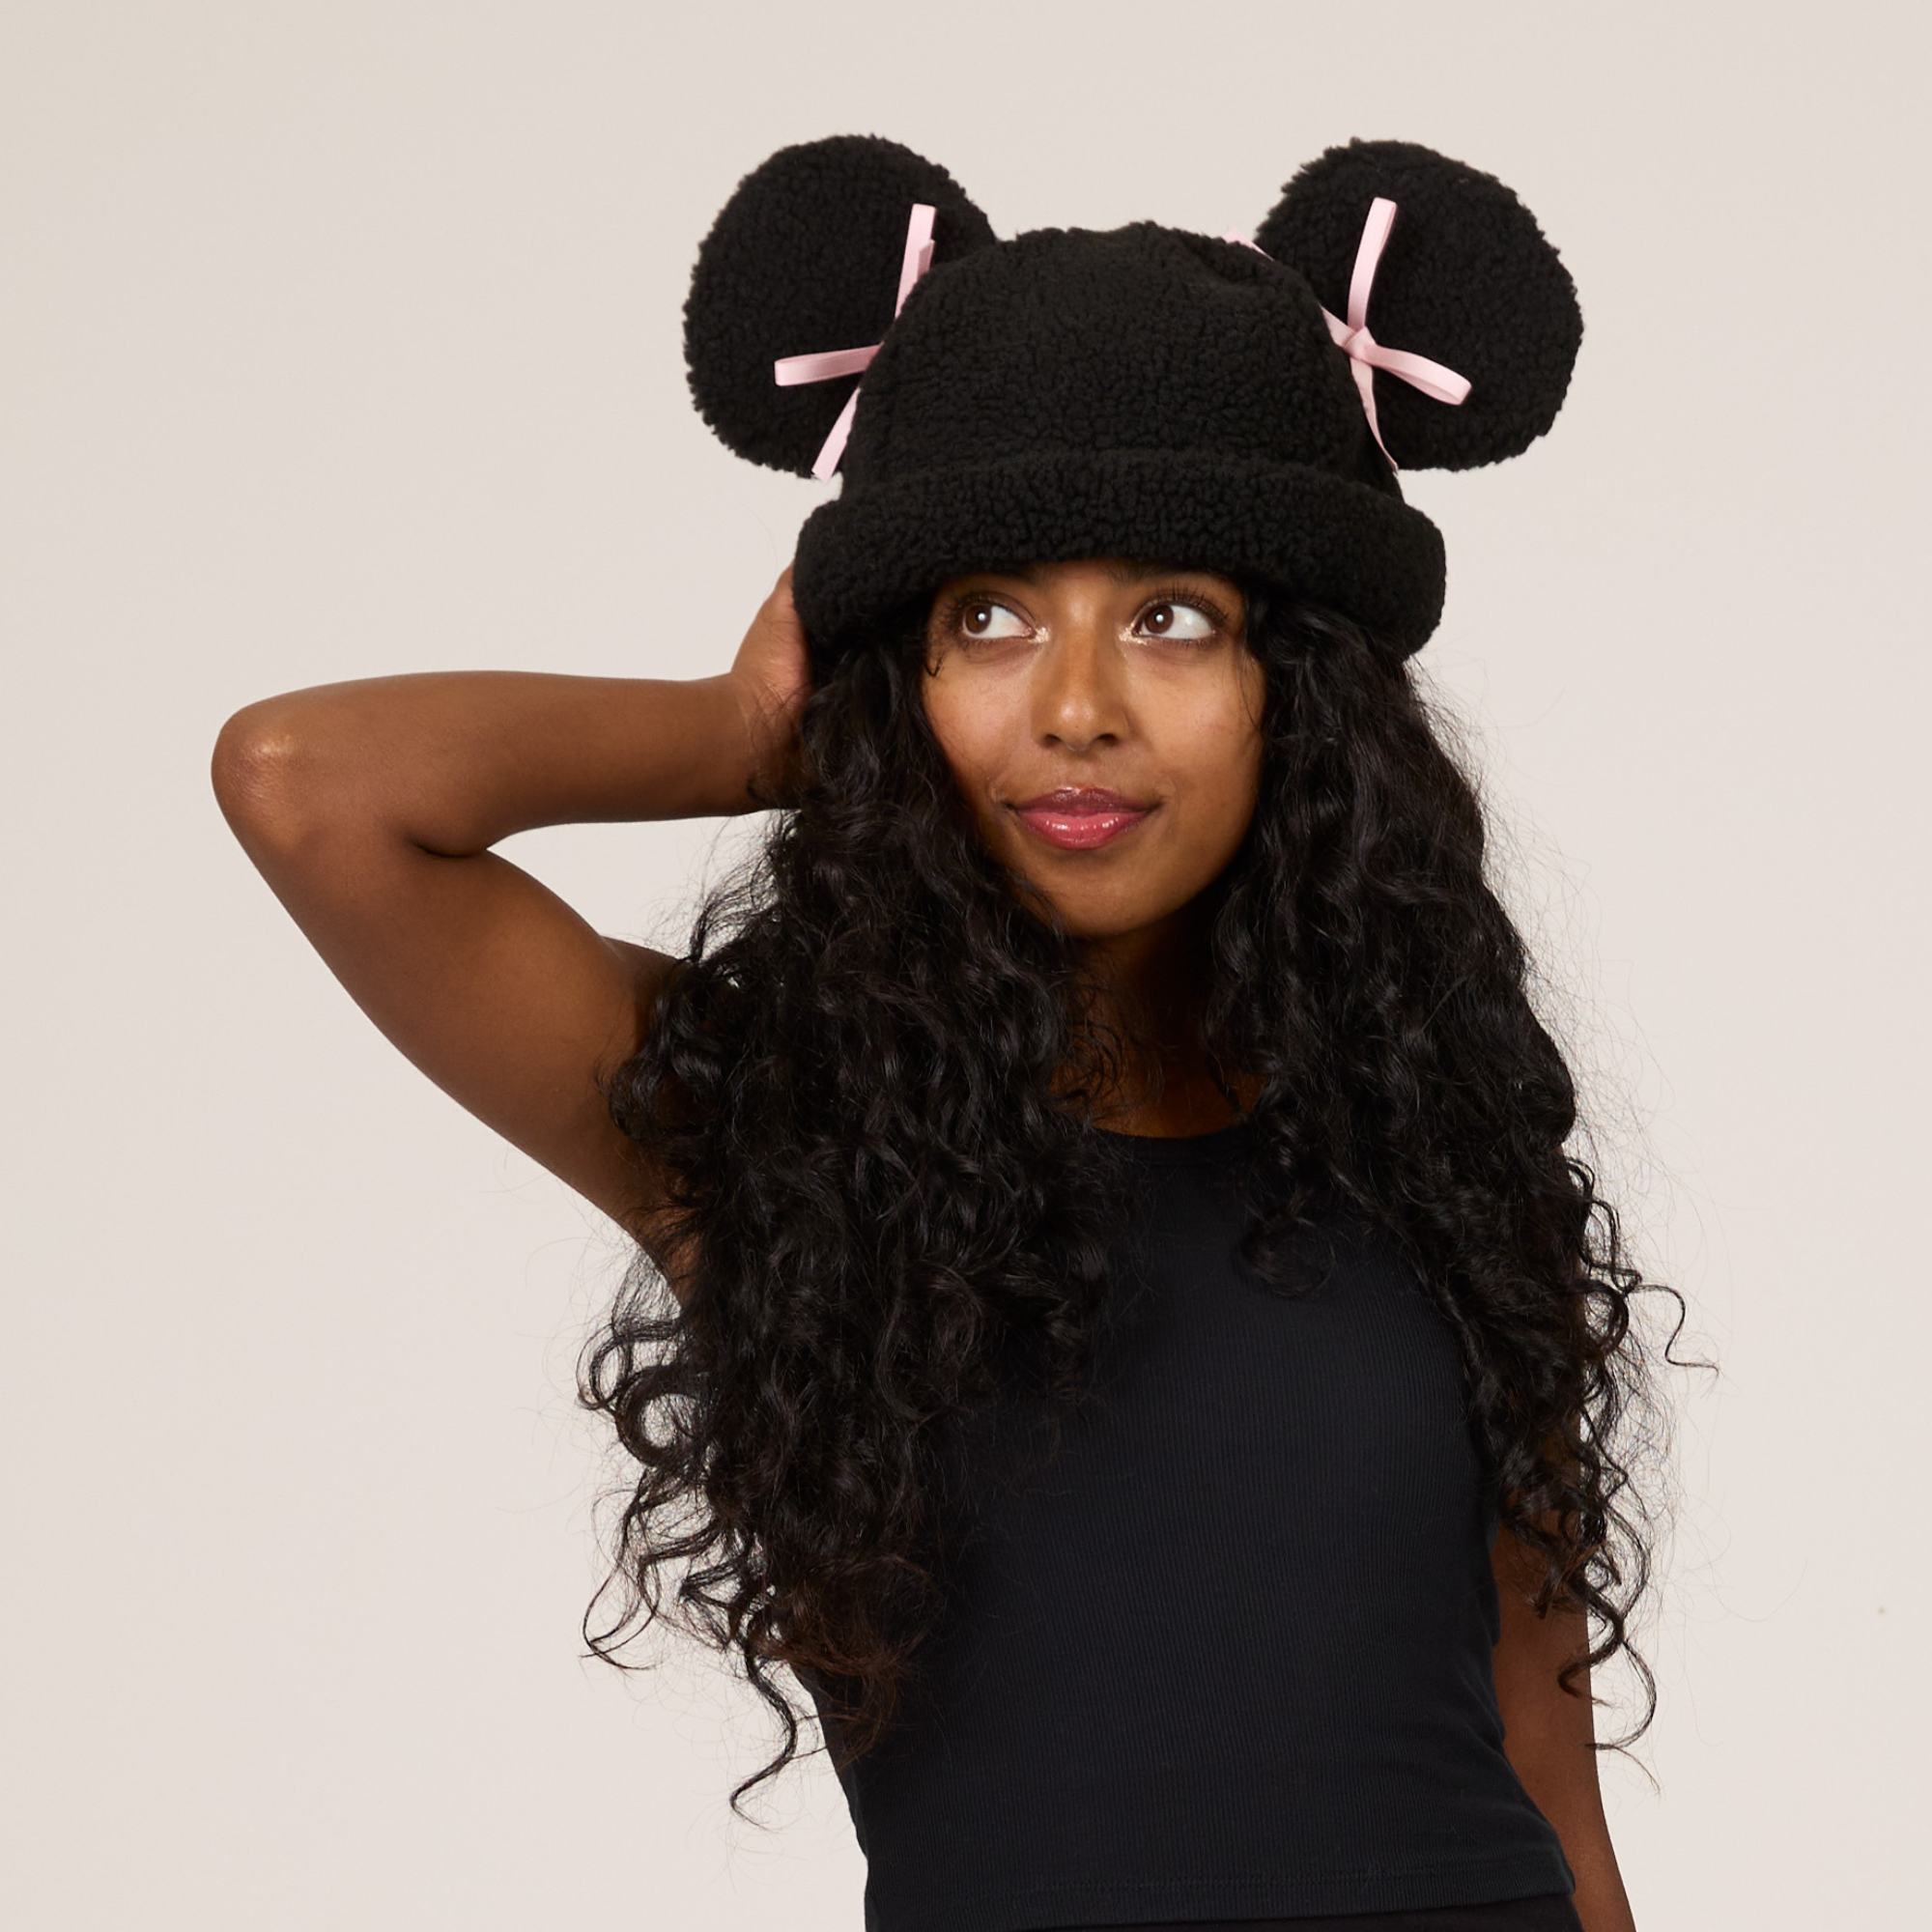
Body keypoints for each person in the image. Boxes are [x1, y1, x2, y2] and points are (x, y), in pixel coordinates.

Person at [213, 134, 1670, 1932]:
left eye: (1172, 620)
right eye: (988, 618)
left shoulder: (1442, 1157)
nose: (1077, 707)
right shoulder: (771, 1136)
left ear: (1301, 694)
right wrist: (737, 729)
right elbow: (308, 784)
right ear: (897, 680)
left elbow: (1550, 1786)